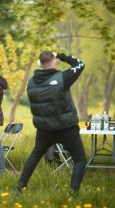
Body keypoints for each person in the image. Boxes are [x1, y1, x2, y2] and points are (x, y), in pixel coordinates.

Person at [15, 51, 87, 196]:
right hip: (66, 127)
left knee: (35, 156)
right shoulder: (63, 78)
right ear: (53, 62)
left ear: (39, 64)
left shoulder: (31, 83)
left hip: (45, 129)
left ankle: (18, 189)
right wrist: (60, 55)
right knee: (80, 159)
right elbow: (80, 64)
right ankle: (73, 194)